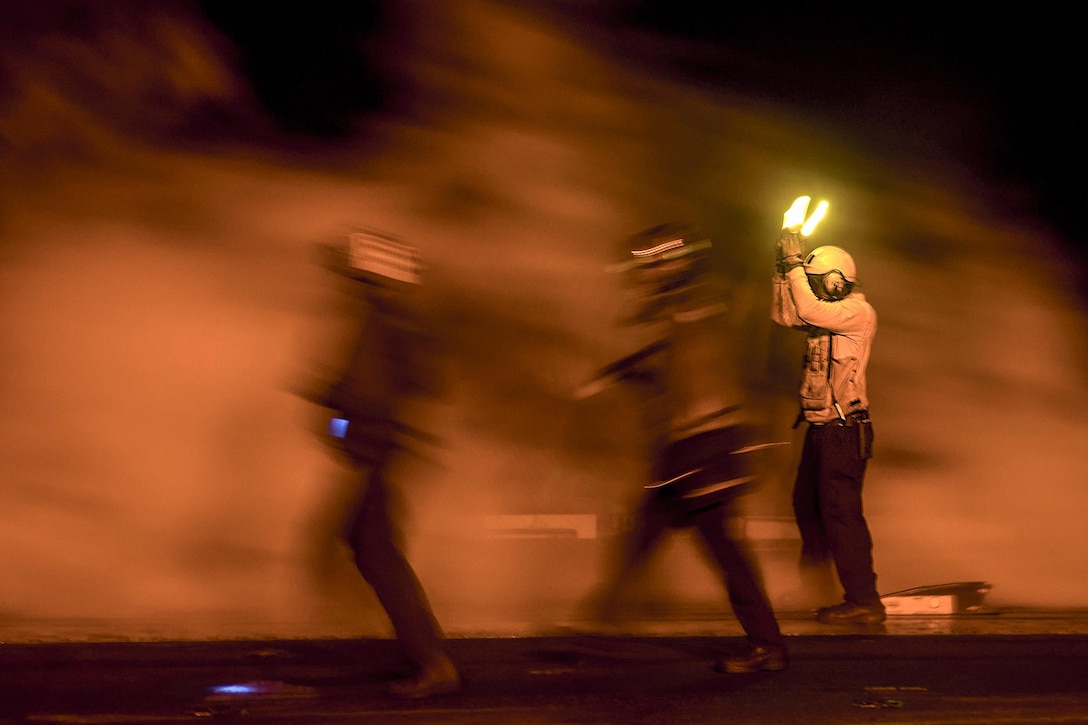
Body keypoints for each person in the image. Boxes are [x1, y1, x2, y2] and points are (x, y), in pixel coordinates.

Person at [577, 223, 787, 673]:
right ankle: (601, 623)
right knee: (642, 535)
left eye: (650, 263)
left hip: (705, 447)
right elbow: (667, 365)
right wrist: (623, 371)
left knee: (724, 551)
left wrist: (629, 364)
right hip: (686, 448)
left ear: (671, 264)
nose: (643, 274)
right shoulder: (682, 309)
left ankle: (767, 646)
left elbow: (688, 364)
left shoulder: (696, 302)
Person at [313, 230, 460, 698]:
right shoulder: (395, 320)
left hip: (374, 453)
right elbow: (421, 384)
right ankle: (421, 651)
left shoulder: (381, 321)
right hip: (382, 450)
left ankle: (431, 662)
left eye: (358, 273)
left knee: (376, 553)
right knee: (365, 545)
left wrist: (340, 424)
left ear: (374, 277)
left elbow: (359, 394)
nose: (349, 281)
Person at [771, 197, 884, 625]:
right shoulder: (828, 313)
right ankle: (816, 589)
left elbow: (808, 308)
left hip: (843, 430)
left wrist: (796, 264)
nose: (815, 286)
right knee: (808, 507)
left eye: (820, 280)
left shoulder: (856, 312)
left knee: (841, 516)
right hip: (822, 430)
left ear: (839, 281)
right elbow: (787, 314)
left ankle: (864, 600)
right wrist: (783, 270)